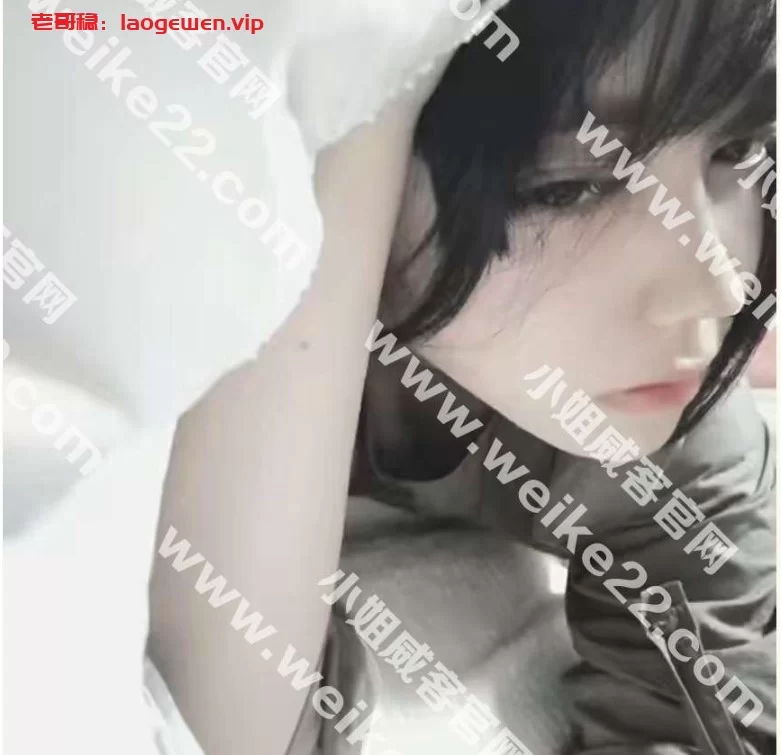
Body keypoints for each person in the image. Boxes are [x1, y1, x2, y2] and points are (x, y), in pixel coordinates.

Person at [149, 1, 776, 754]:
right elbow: (222, 726)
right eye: (566, 186)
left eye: (737, 148)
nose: (720, 286)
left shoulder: (683, 437)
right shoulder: (172, 322)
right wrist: (358, 98)